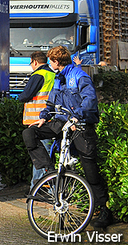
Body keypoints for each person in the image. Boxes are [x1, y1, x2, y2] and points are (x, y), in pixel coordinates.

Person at [22, 45, 113, 228]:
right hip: (61, 122)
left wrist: (76, 117)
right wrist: (43, 117)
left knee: (90, 171)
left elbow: (90, 101)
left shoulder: (79, 76)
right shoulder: (58, 77)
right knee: (30, 133)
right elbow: (51, 103)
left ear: (56, 62)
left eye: (50, 60)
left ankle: (105, 211)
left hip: (80, 126)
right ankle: (49, 172)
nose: (49, 63)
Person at [17, 51, 55, 186]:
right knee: (45, 155)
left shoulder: (38, 75)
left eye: (31, 64)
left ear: (35, 62)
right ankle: (44, 188)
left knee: (40, 157)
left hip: (38, 121)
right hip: (50, 119)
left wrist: (19, 96)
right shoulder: (52, 74)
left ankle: (38, 188)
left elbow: (25, 95)